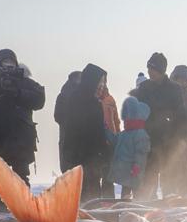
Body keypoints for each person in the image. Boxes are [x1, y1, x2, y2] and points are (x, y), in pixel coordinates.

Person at [0, 49, 45, 211]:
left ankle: (24, 210)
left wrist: (17, 92)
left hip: (20, 139)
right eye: (5, 63)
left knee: (21, 177)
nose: (8, 67)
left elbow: (39, 100)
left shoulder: (26, 82)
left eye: (11, 63)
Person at [132, 53, 184, 198]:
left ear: (161, 70)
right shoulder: (143, 88)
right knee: (147, 182)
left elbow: (181, 116)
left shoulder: (174, 89)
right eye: (148, 68)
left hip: (168, 143)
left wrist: (176, 137)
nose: (149, 71)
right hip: (148, 142)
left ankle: (171, 214)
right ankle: (144, 207)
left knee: (169, 183)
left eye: (153, 68)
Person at [63, 63, 112, 201]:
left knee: (94, 190)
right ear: (91, 81)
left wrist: (105, 152)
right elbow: (72, 130)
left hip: (94, 157)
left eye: (103, 82)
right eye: (100, 82)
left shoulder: (95, 102)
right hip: (81, 157)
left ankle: (92, 215)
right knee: (83, 192)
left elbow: (99, 132)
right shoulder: (76, 100)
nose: (101, 86)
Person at [107, 97, 151, 199]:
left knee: (136, 192)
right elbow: (115, 140)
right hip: (125, 171)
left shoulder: (140, 134)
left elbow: (141, 153)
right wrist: (106, 131)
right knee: (125, 192)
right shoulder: (125, 133)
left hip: (133, 171)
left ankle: (138, 206)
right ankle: (125, 207)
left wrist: (137, 166)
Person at [169, 64, 187, 196]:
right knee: (171, 166)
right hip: (171, 138)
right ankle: (169, 194)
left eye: (185, 80)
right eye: (179, 79)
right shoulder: (169, 95)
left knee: (186, 166)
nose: (182, 82)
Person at [55, 71, 81, 172]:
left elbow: (57, 116)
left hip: (68, 137)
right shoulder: (63, 96)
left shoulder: (62, 95)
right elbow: (57, 116)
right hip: (70, 136)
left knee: (69, 170)